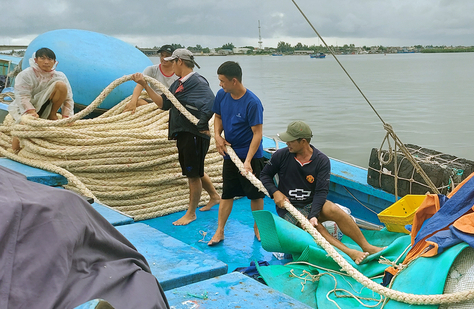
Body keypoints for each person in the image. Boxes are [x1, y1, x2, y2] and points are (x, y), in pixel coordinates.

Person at [260, 121, 384, 264]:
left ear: (303, 141)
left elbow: (321, 191)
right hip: (290, 208)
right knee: (315, 226)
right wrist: (275, 192)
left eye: (290, 140)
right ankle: (350, 253)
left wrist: (313, 214)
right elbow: (264, 176)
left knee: (333, 209)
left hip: (312, 204)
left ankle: (366, 246)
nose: (287, 143)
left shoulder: (321, 160)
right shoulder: (281, 155)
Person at [133, 48, 219, 225]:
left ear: (180, 61)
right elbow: (163, 104)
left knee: (193, 175)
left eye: (173, 61)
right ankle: (214, 196)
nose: (171, 64)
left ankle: (191, 213)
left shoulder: (197, 82)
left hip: (194, 135)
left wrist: (202, 125)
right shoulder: (178, 83)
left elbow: (211, 102)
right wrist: (145, 85)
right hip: (184, 133)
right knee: (195, 169)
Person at [207, 61, 265, 246]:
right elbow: (218, 116)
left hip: (250, 155)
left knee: (255, 195)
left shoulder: (252, 103)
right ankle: (220, 230)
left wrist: (247, 161)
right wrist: (217, 135)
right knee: (227, 193)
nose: (220, 84)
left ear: (234, 81)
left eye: (222, 81)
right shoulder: (222, 96)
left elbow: (257, 134)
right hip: (230, 154)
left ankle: (258, 227)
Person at [9, 47, 74, 152]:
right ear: (35, 60)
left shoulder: (60, 76)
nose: (46, 62)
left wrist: (67, 116)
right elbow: (22, 96)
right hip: (25, 107)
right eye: (42, 58)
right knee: (24, 125)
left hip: (45, 106)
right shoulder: (26, 74)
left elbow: (68, 99)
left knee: (61, 86)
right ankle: (14, 151)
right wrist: (30, 112)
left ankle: (51, 115)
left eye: (49, 59)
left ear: (54, 62)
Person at [125, 44, 178, 113]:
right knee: (139, 103)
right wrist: (133, 102)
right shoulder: (152, 70)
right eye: (162, 55)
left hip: (169, 102)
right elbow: (140, 85)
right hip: (154, 100)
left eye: (167, 56)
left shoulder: (177, 73)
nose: (163, 58)